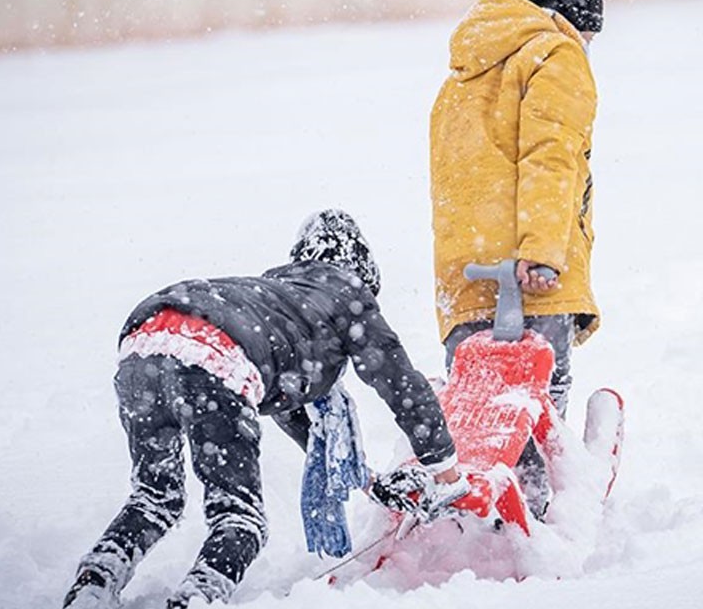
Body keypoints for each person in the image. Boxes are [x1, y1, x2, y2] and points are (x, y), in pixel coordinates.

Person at [64, 210, 466, 609]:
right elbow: (401, 384)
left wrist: (370, 483)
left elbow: (298, 417)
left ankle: (94, 583)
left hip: (145, 342)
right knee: (240, 520)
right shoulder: (346, 295)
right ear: (362, 271)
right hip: (213, 356)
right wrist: (446, 473)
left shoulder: (276, 302)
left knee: (155, 498)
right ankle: (197, 598)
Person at [429, 0, 604, 516]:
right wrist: (542, 251)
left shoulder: (464, 71)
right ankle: (543, 514)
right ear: (570, 20)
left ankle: (480, 513)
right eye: (590, 36)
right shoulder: (556, 52)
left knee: (482, 413)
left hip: (463, 275)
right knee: (537, 403)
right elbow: (551, 157)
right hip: (530, 269)